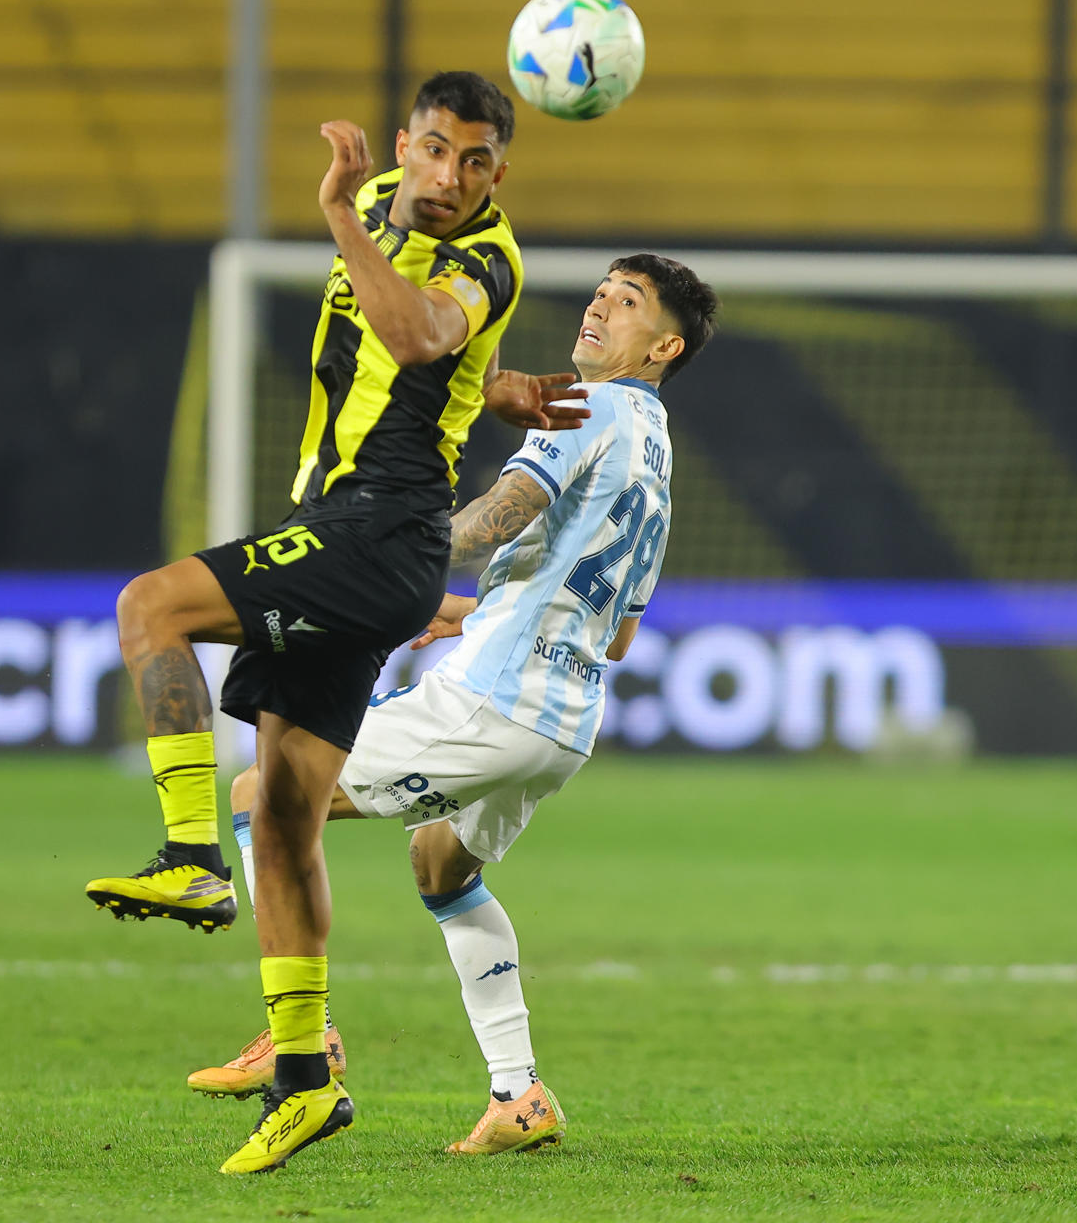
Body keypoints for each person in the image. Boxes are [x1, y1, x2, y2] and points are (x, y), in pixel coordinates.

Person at [85, 71, 590, 1175]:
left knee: (150, 605)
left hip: (379, 535)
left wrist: (335, 216)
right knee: (283, 813)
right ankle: (308, 1080)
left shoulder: (483, 258)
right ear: (407, 144)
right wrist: (493, 387)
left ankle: (184, 857)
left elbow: (414, 335)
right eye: (434, 150)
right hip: (346, 528)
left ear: (500, 172)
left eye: (474, 160)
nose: (450, 176)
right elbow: (437, 356)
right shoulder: (378, 211)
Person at [191, 255, 716, 1157]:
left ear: (663, 346)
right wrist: (472, 611)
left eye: (626, 302)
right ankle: (518, 1096)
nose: (599, 304)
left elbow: (498, 516)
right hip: (563, 721)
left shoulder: (585, 407)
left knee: (261, 801)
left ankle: (301, 1037)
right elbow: (616, 632)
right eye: (600, 291)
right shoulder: (656, 452)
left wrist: (382, 568)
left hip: (495, 698)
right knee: (443, 871)